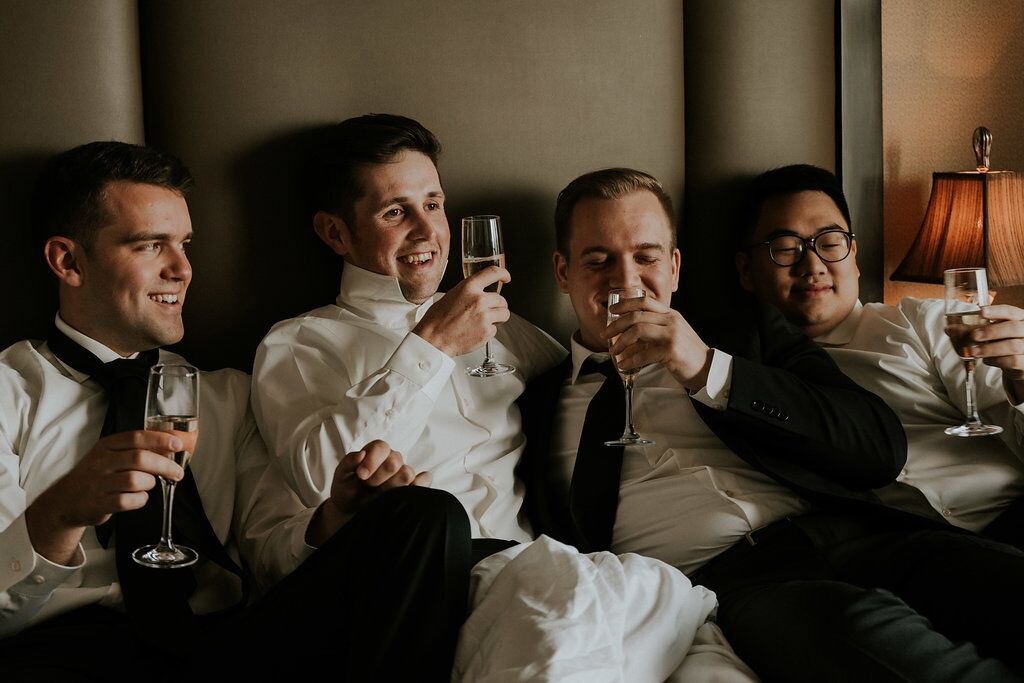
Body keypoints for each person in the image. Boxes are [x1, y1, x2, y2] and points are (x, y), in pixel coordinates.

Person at [519, 166, 1024, 682]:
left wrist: (706, 368)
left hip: (862, 536)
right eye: (599, 261)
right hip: (744, 583)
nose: (626, 281)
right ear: (563, 272)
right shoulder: (533, 401)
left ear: (674, 268)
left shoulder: (748, 335)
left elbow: (878, 449)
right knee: (862, 636)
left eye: (646, 257)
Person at [0, 141, 474, 681]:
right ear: (68, 261)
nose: (182, 269)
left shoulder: (228, 396)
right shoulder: (8, 392)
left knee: (427, 514)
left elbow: (270, 558)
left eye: (184, 245)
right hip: (63, 652)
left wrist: (336, 517)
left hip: (230, 649)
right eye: (150, 246)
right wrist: (60, 513)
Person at [251, 114, 566, 547]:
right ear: (335, 233)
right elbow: (323, 485)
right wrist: (432, 345)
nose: (426, 231)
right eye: (395, 212)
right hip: (430, 569)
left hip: (534, 558)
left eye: (433, 205)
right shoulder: (298, 344)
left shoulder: (496, 322)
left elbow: (585, 389)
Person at [734, 163, 1024, 548]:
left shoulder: (927, 322)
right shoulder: (747, 383)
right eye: (786, 248)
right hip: (909, 551)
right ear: (746, 271)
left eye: (830, 243)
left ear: (853, 255)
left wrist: (1021, 383)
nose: (813, 265)